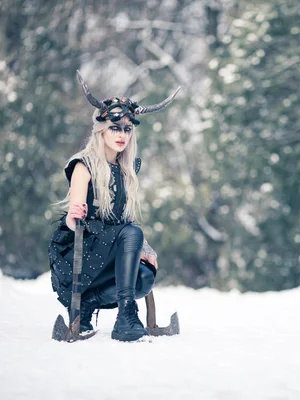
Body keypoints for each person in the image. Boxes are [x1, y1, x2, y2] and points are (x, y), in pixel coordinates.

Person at [49, 71, 180, 341]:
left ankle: (88, 305)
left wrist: (144, 248)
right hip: (83, 249)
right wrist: (75, 215)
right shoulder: (83, 164)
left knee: (144, 278)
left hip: (112, 250)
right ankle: (126, 318)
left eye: (127, 129)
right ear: (101, 129)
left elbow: (126, 221)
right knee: (132, 234)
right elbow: (74, 215)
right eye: (115, 127)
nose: (122, 135)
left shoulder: (128, 170)